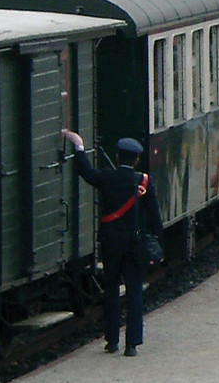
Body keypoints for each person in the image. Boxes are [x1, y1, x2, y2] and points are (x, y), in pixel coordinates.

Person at [62, 130, 161, 357]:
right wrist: (156, 242)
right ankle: (132, 344)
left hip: (111, 244)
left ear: (118, 157)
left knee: (111, 291)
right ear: (136, 160)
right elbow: (155, 217)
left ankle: (112, 340)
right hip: (135, 245)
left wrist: (79, 146)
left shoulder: (107, 178)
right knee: (135, 292)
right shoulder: (144, 182)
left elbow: (86, 172)